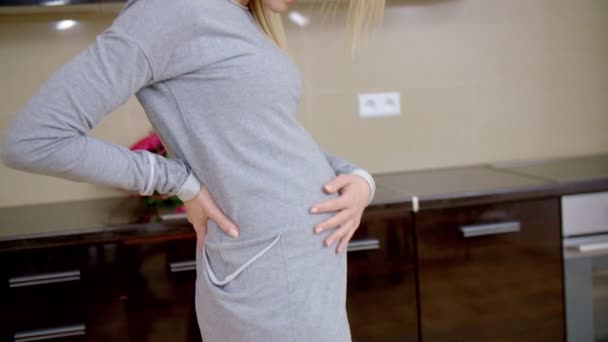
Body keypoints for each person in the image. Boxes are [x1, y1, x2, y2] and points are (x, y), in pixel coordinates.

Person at [0, 0, 384, 340]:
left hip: (304, 268)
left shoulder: (241, 16)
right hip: (269, 275)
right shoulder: (168, 11)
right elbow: (34, 139)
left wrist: (359, 179)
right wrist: (178, 181)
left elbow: (272, 136)